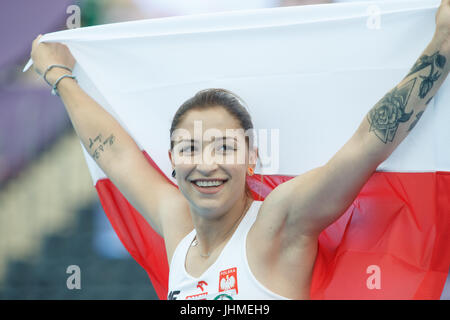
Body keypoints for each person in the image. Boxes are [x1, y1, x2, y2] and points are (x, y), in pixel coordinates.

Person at [29, 0, 449, 300]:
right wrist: (58, 74)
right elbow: (115, 153)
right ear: (172, 161)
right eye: (190, 147)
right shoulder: (178, 226)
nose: (206, 162)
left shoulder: (279, 224)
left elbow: (365, 146)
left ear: (252, 158)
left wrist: (441, 47)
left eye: (224, 147)